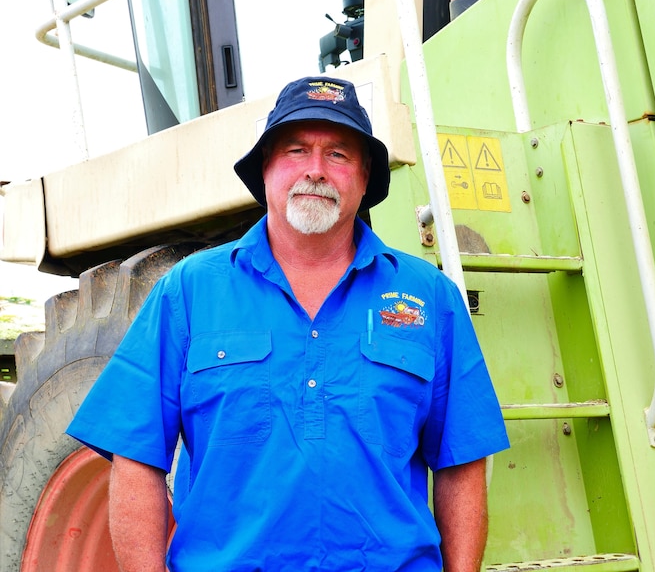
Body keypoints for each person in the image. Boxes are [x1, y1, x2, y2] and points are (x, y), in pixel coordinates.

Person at [66, 76, 510, 572]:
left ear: (365, 180)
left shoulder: (430, 297)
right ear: (266, 171)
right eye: (296, 150)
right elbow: (134, 457)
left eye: (339, 154)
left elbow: (462, 461)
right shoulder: (189, 291)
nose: (316, 170)